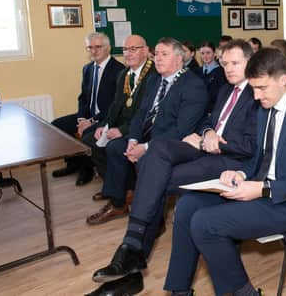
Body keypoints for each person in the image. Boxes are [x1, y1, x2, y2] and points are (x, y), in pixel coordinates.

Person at [87, 40, 258, 296]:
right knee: (157, 151)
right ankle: (133, 252)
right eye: (225, 63)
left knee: (152, 179)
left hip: (227, 160)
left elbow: (250, 146)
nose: (228, 68)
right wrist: (207, 132)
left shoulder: (257, 94)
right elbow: (206, 121)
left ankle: (132, 251)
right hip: (202, 148)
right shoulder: (225, 90)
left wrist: (209, 141)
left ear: (250, 63)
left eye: (235, 63)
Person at [163, 47, 286, 296]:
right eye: (252, 88)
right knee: (188, 205)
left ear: (283, 79)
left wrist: (263, 188)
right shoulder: (265, 107)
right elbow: (261, 158)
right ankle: (180, 291)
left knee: (205, 223)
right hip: (259, 187)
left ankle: (244, 294)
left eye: (261, 88)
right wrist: (240, 174)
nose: (255, 95)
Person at [85, 38, 208, 226]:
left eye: (164, 54)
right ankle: (118, 203)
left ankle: (152, 221)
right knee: (116, 147)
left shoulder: (193, 85)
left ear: (179, 58)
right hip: (148, 135)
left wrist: (146, 147)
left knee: (148, 159)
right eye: (156, 53)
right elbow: (141, 113)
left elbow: (182, 130)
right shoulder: (154, 80)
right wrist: (133, 139)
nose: (157, 58)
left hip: (173, 143)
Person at [82, 35, 156, 197]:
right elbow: (116, 104)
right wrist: (105, 124)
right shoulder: (124, 74)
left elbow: (147, 114)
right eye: (125, 50)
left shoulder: (154, 75)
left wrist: (121, 130)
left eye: (133, 49)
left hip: (142, 128)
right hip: (123, 123)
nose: (128, 54)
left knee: (114, 146)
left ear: (145, 51)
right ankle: (120, 186)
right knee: (90, 140)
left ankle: (118, 195)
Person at [52, 32, 125, 186]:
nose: (93, 51)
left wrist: (91, 121)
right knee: (57, 126)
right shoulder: (88, 69)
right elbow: (83, 97)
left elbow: (115, 105)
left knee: (86, 133)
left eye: (98, 47)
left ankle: (87, 169)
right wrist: (81, 118)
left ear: (108, 48)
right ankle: (73, 164)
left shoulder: (119, 70)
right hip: (88, 115)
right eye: (90, 48)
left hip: (106, 117)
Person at [195, 41, 227, 113]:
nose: (205, 56)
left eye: (208, 53)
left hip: (213, 110)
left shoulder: (222, 72)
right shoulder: (196, 72)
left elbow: (221, 95)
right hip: (198, 110)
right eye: (202, 53)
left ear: (214, 53)